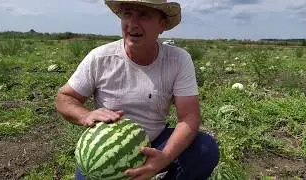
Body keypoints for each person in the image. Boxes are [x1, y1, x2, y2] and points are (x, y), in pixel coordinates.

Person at [56, 0, 219, 179]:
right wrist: (84, 115)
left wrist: (165, 157)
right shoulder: (100, 57)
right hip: (106, 152)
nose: (133, 24)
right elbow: (65, 98)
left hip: (155, 142)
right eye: (127, 14)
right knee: (95, 172)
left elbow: (189, 117)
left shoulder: (178, 60)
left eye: (144, 15)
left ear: (162, 25)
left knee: (205, 149)